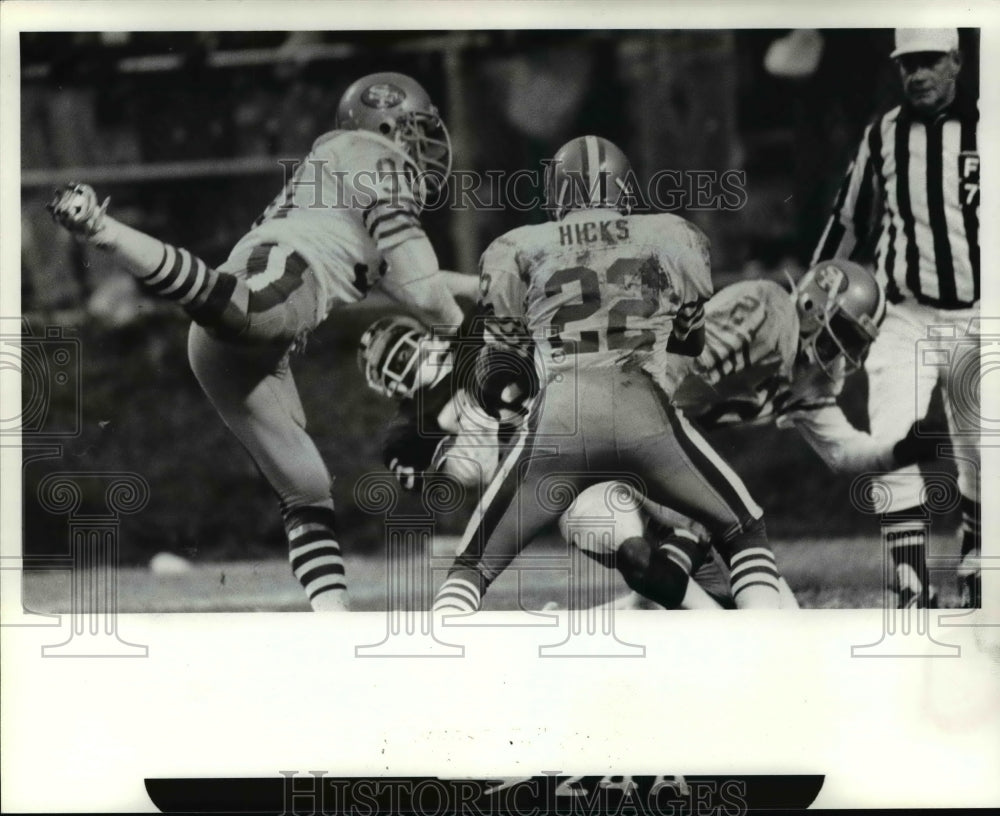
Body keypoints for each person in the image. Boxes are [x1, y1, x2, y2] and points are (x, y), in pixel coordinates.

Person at [47, 72, 469, 611]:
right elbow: (430, 297)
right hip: (277, 282)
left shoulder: (346, 188)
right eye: (419, 130)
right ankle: (108, 233)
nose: (430, 145)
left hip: (236, 352)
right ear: (387, 125)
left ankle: (332, 621)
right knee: (250, 311)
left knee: (308, 488)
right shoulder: (370, 153)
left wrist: (501, 284)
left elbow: (418, 285)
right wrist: (470, 340)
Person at [426, 135, 786, 614]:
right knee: (742, 531)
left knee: (470, 568)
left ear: (555, 192)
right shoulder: (670, 236)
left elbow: (503, 365)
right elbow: (690, 343)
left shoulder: (517, 247)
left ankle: (434, 661)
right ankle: (768, 641)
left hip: (560, 420)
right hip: (644, 411)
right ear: (624, 190)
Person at [811, 29, 980, 608]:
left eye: (930, 61)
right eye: (909, 64)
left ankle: (978, 570)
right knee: (891, 440)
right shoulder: (882, 133)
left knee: (985, 451)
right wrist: (811, 296)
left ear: (957, 61)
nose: (918, 75)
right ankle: (912, 583)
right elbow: (848, 221)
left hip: (985, 313)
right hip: (903, 313)